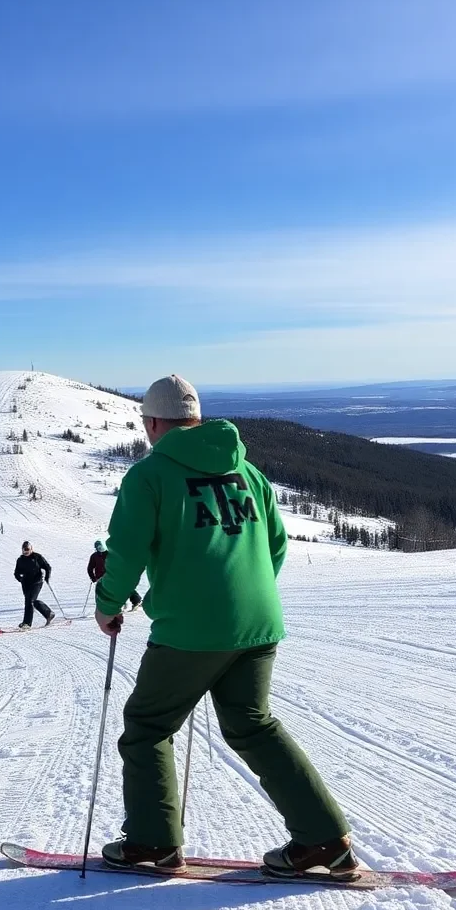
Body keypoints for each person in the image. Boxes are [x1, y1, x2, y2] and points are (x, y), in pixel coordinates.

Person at [94, 375, 354, 877]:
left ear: (152, 422)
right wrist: (241, 598)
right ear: (195, 417)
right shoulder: (247, 470)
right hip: (259, 623)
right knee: (253, 725)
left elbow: (125, 552)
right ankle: (324, 842)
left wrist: (108, 605)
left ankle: (153, 843)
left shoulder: (150, 475)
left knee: (148, 727)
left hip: (190, 630)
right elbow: (276, 545)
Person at [87, 539, 141, 610]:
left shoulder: (112, 554)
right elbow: (90, 568)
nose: (100, 549)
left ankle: (136, 601)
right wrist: (93, 578)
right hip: (101, 578)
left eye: (101, 547)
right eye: (98, 548)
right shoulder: (94, 556)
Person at [13, 540, 54, 629]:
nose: (26, 552)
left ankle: (27, 623)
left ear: (31, 549)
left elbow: (47, 567)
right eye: (24, 550)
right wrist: (20, 579)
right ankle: (48, 613)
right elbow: (16, 573)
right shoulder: (20, 560)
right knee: (30, 601)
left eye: (28, 549)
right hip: (26, 583)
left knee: (30, 600)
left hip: (37, 581)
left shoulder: (37, 557)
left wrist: (47, 577)